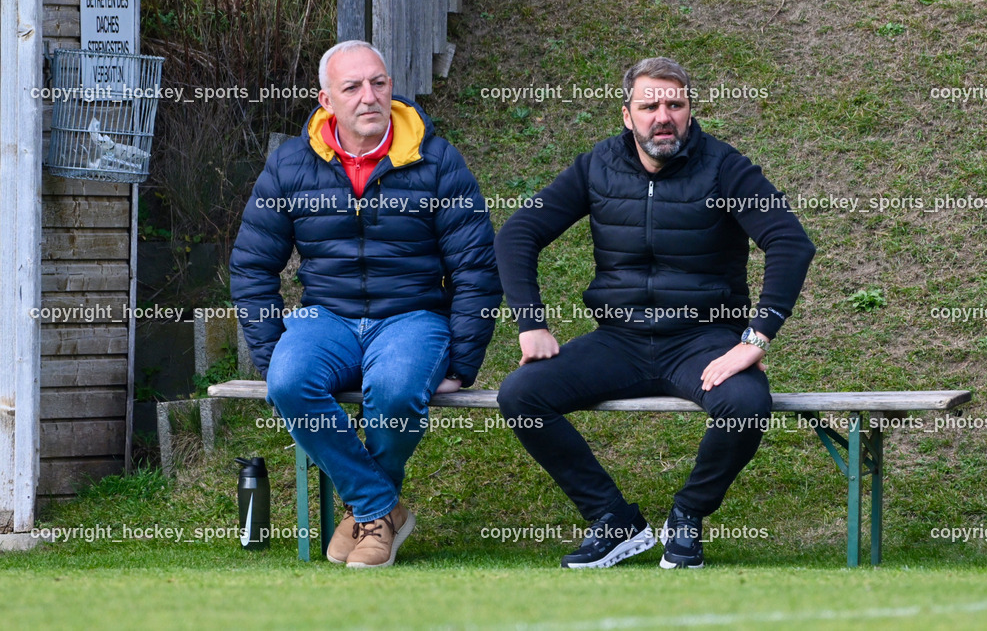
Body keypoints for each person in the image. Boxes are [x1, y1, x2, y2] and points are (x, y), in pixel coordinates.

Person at [495, 56, 815, 569]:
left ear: (690, 111)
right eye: (649, 106)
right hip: (619, 342)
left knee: (746, 402)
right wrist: (531, 322)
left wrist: (753, 340)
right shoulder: (597, 166)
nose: (663, 116)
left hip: (701, 341)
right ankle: (613, 520)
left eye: (674, 104)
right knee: (521, 394)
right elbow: (518, 233)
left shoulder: (725, 167)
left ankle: (687, 516)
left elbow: (790, 242)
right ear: (627, 115)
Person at [230, 40, 502, 568]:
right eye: (352, 87)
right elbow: (251, 266)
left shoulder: (436, 160)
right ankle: (380, 509)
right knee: (289, 381)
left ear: (391, 87)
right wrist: (270, 353)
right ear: (326, 100)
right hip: (325, 317)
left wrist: (462, 362)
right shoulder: (291, 164)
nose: (368, 96)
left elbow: (475, 267)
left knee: (397, 391)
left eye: (378, 83)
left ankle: (365, 516)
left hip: (412, 316)